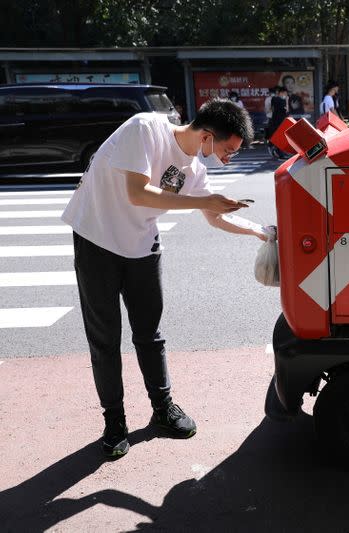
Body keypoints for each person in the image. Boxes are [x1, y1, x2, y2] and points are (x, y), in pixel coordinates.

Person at [61, 98, 267, 458]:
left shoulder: (195, 171)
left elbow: (216, 217)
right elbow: (138, 192)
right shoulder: (145, 129)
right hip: (97, 240)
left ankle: (163, 408)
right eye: (228, 150)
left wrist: (261, 233)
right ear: (206, 136)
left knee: (150, 334)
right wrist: (205, 202)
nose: (227, 158)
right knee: (105, 338)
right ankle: (114, 421)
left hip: (142, 246)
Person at [265, 86, 291, 159]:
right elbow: (286, 110)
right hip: (277, 122)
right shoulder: (276, 99)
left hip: (280, 121)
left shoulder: (278, 99)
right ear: (281, 93)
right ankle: (280, 153)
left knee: (280, 138)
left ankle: (279, 152)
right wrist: (286, 101)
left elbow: (287, 111)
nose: (286, 95)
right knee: (279, 138)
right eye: (285, 93)